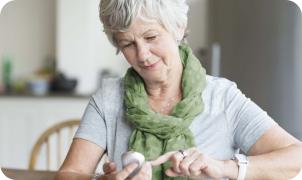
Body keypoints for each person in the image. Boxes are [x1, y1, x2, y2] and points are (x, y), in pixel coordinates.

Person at [56, 0, 302, 179]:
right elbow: (70, 173)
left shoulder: (222, 98)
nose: (142, 55)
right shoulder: (108, 99)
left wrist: (225, 167)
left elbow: (296, 157)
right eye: (128, 44)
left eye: (151, 37)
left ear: (178, 28)